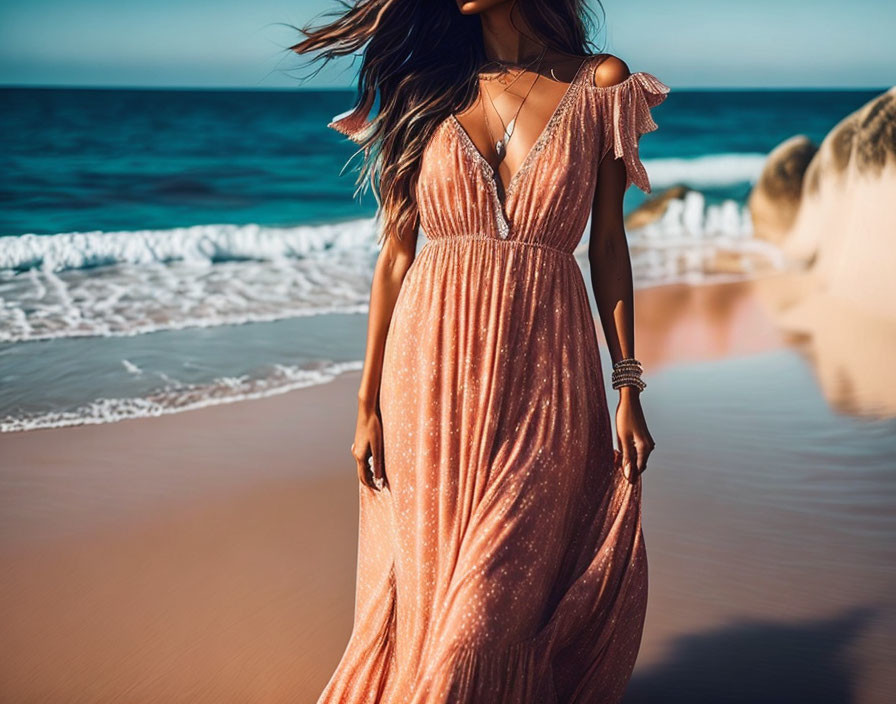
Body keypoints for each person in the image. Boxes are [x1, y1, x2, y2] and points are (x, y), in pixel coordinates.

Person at [292, 1, 667, 700]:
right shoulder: (427, 90)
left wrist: (627, 386)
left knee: (485, 617)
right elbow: (397, 256)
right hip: (428, 376)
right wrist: (366, 404)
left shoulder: (600, 86)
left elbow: (609, 247)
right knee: (435, 592)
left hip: (548, 376)